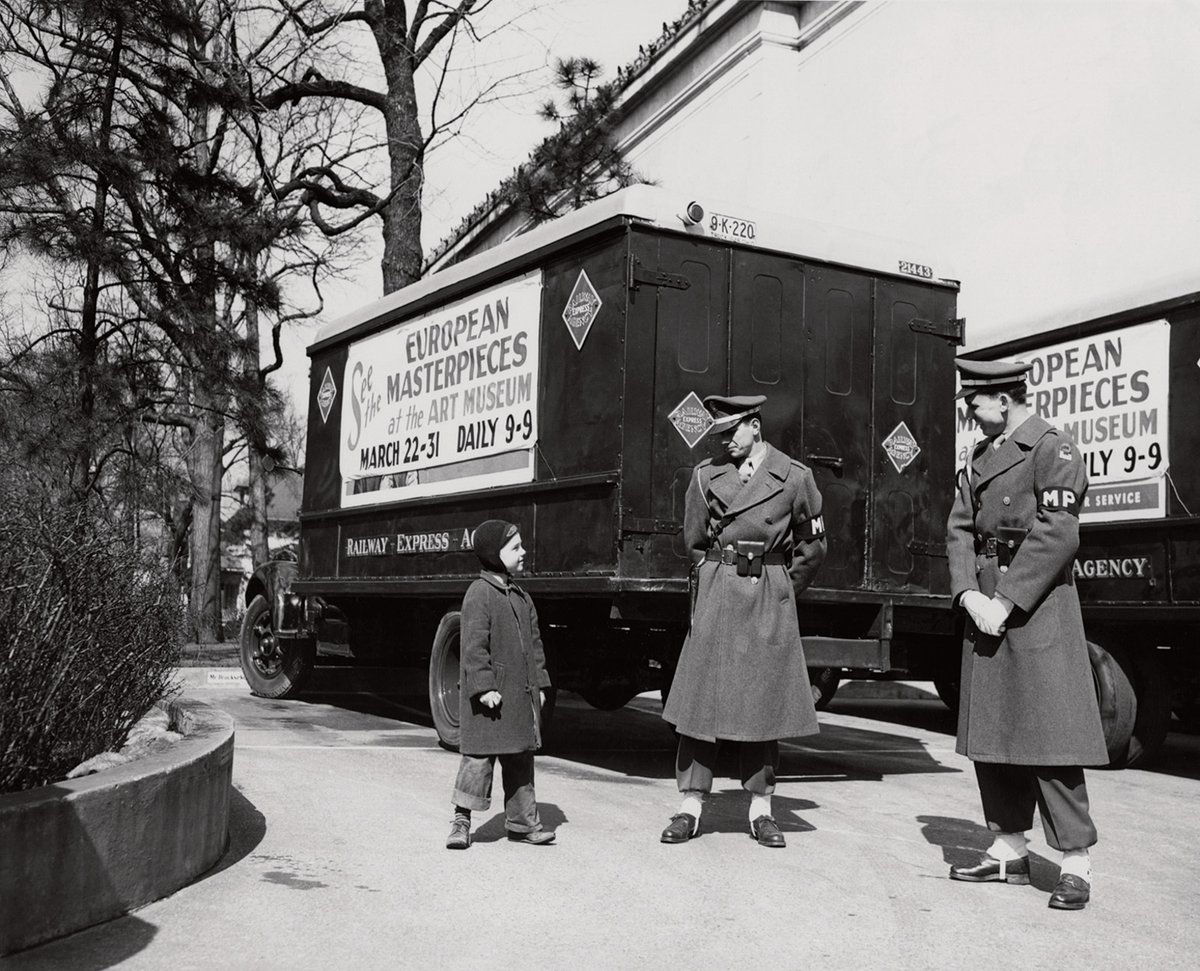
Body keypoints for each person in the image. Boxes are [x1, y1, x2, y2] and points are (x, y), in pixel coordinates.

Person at [946, 358, 1108, 910]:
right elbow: (959, 530)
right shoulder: (979, 457)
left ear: (1004, 398)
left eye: (975, 402)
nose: (970, 412)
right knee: (993, 731)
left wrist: (1005, 600)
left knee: (1049, 737)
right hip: (985, 606)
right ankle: (1008, 849)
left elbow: (1058, 533)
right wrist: (968, 593)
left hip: (1037, 607)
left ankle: (1076, 862)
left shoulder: (1052, 448)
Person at [660, 394, 827, 848]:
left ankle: (761, 810)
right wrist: (715, 580)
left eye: (732, 431)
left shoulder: (795, 477)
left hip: (767, 595)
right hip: (718, 593)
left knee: (762, 706)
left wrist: (780, 588)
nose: (725, 442)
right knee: (700, 707)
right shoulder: (705, 476)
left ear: (755, 425)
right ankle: (690, 806)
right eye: (719, 434)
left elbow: (812, 547)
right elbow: (694, 543)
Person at [445, 519, 555, 849]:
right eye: (515, 548)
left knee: (521, 758)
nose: (523, 552)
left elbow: (535, 646)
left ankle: (523, 824)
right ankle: (461, 821)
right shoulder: (479, 593)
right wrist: (484, 687)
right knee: (478, 760)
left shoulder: (522, 597)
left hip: (519, 696)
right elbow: (473, 647)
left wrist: (542, 685)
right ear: (495, 554)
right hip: (490, 698)